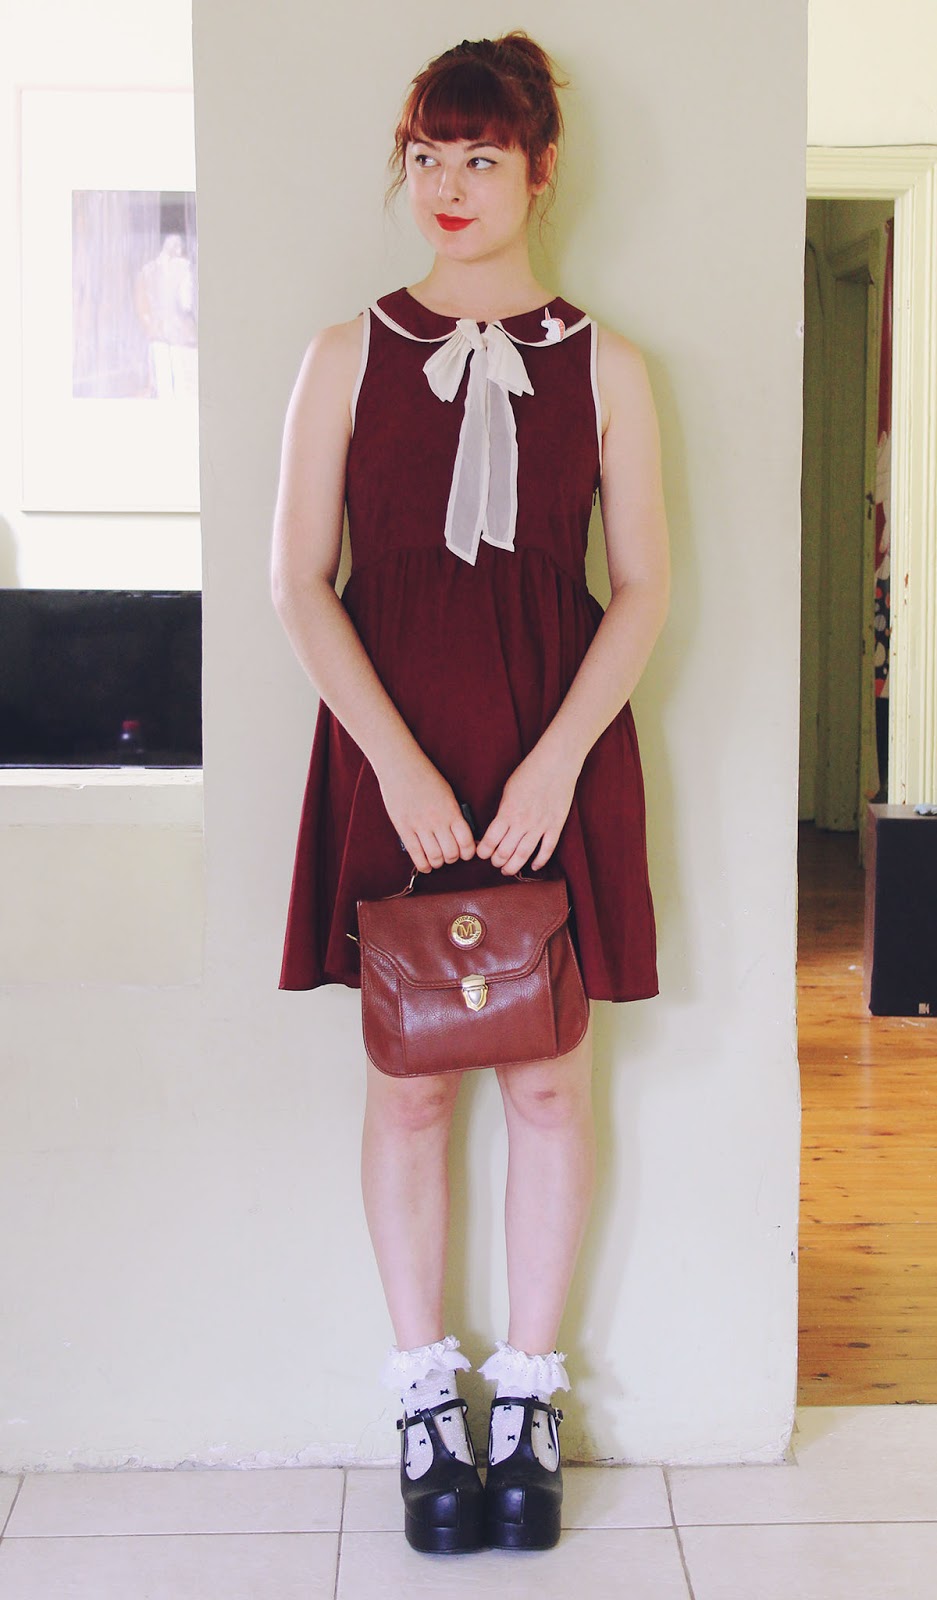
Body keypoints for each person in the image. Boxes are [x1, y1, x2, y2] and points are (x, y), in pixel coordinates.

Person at [271, 32, 669, 1555]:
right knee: (411, 1079)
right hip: (394, 754)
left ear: (538, 170)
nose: (445, 184)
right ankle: (424, 1399)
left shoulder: (610, 366)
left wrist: (558, 757)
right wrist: (393, 761)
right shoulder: (343, 353)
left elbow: (642, 585)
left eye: (479, 157)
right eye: (427, 155)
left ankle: (528, 1401)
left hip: (550, 759)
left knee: (551, 1081)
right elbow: (297, 582)